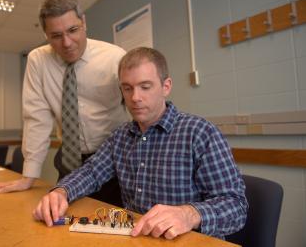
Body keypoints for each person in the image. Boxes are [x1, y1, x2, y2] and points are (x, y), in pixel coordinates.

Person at [33, 47, 248, 240]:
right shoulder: (120, 137)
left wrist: (188, 214)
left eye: (145, 87)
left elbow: (236, 206)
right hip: (138, 237)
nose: (135, 97)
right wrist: (61, 191)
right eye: (127, 88)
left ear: (166, 86)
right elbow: (91, 172)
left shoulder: (200, 133)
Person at [0, 0, 128, 206]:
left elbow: (139, 106)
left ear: (84, 23)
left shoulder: (115, 57)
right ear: (45, 34)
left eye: (73, 30)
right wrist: (29, 176)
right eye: (56, 36)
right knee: (62, 225)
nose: (67, 43)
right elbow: (36, 118)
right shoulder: (38, 60)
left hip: (113, 161)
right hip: (69, 162)